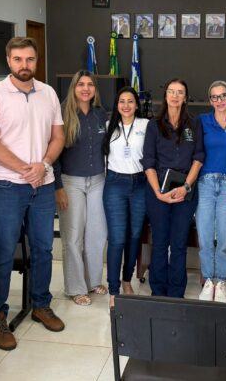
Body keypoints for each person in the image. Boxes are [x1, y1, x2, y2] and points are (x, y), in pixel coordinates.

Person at [0, 37, 66, 351]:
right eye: (18, 59)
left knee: (43, 248)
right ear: (8, 60)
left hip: (42, 185)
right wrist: (25, 169)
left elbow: (58, 136)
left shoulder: (48, 93)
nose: (24, 65)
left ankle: (41, 304)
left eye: (29, 59)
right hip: (7, 186)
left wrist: (43, 165)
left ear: (36, 61)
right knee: (4, 251)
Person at [141, 78, 204, 297]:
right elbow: (148, 162)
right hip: (158, 190)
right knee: (160, 242)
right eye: (171, 91)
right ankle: (158, 291)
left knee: (178, 243)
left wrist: (186, 186)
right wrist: (159, 193)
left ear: (185, 97)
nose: (175, 96)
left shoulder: (194, 124)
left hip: (185, 191)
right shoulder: (154, 125)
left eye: (180, 92)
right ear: (165, 95)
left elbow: (198, 158)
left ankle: (177, 292)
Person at [54, 70, 108, 306]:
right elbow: (53, 154)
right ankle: (75, 288)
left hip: (98, 181)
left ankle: (93, 280)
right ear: (74, 88)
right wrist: (58, 187)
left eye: (90, 85)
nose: (86, 89)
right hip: (71, 182)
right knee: (73, 236)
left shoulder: (100, 114)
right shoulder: (62, 114)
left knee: (97, 234)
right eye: (81, 84)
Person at [196, 81, 226, 303]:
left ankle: (221, 281)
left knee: (225, 236)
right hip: (205, 183)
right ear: (210, 101)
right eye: (214, 97)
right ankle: (208, 279)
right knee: (205, 235)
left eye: (223, 95)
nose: (219, 101)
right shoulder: (202, 121)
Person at [102, 87, 149, 308]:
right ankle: (113, 289)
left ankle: (127, 280)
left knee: (134, 235)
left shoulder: (146, 125)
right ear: (117, 105)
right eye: (122, 101)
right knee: (117, 238)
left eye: (130, 101)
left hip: (140, 184)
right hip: (115, 184)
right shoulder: (109, 126)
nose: (126, 105)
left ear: (137, 105)